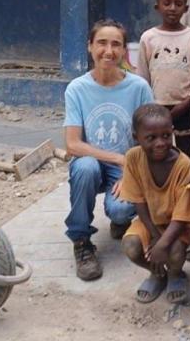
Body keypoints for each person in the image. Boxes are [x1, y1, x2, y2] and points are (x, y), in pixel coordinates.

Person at [64, 19, 155, 281]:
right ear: (90, 46)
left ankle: (120, 220)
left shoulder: (138, 87)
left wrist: (133, 169)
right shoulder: (77, 89)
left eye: (116, 44)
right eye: (101, 43)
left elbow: (151, 137)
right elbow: (72, 144)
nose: (108, 50)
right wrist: (118, 158)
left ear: (124, 50)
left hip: (126, 167)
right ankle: (81, 241)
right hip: (96, 162)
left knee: (121, 210)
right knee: (85, 167)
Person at [120, 104, 190, 304]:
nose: (160, 143)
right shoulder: (132, 158)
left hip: (177, 224)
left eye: (166, 135)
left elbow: (183, 215)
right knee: (131, 246)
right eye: (151, 138)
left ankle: (175, 274)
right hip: (150, 222)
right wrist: (156, 239)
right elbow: (138, 202)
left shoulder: (183, 164)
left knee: (173, 251)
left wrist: (163, 243)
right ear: (136, 137)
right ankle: (157, 274)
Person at [136, 0, 190, 161]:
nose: (172, 8)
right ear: (157, 6)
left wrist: (188, 101)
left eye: (178, 3)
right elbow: (142, 76)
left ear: (186, 8)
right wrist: (149, 105)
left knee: (185, 153)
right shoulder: (148, 38)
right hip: (155, 107)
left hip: (185, 106)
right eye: (167, 3)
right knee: (156, 151)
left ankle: (186, 187)